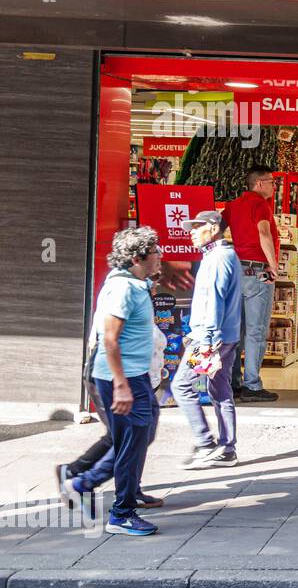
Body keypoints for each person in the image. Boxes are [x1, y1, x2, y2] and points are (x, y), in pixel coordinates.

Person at [62, 228, 164, 536]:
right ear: (136, 258)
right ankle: (119, 512)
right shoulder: (122, 290)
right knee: (131, 441)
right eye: (155, 251)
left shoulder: (135, 283)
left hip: (136, 375)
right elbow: (110, 339)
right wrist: (120, 384)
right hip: (122, 377)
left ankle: (97, 488)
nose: (160, 254)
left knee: (140, 436)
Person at [174, 211, 243, 470]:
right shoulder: (224, 255)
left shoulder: (217, 258)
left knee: (182, 385)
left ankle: (205, 444)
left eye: (197, 227)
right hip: (223, 337)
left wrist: (205, 340)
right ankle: (227, 449)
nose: (191, 232)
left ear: (213, 228)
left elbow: (213, 301)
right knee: (220, 388)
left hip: (211, 339)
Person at [222, 165, 280, 403]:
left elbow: (216, 230)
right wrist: (273, 265)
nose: (274, 186)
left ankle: (233, 382)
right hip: (258, 272)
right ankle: (252, 385)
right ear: (259, 183)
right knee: (256, 330)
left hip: (236, 271)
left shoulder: (233, 206)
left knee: (237, 329)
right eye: (272, 182)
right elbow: (264, 233)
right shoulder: (260, 205)